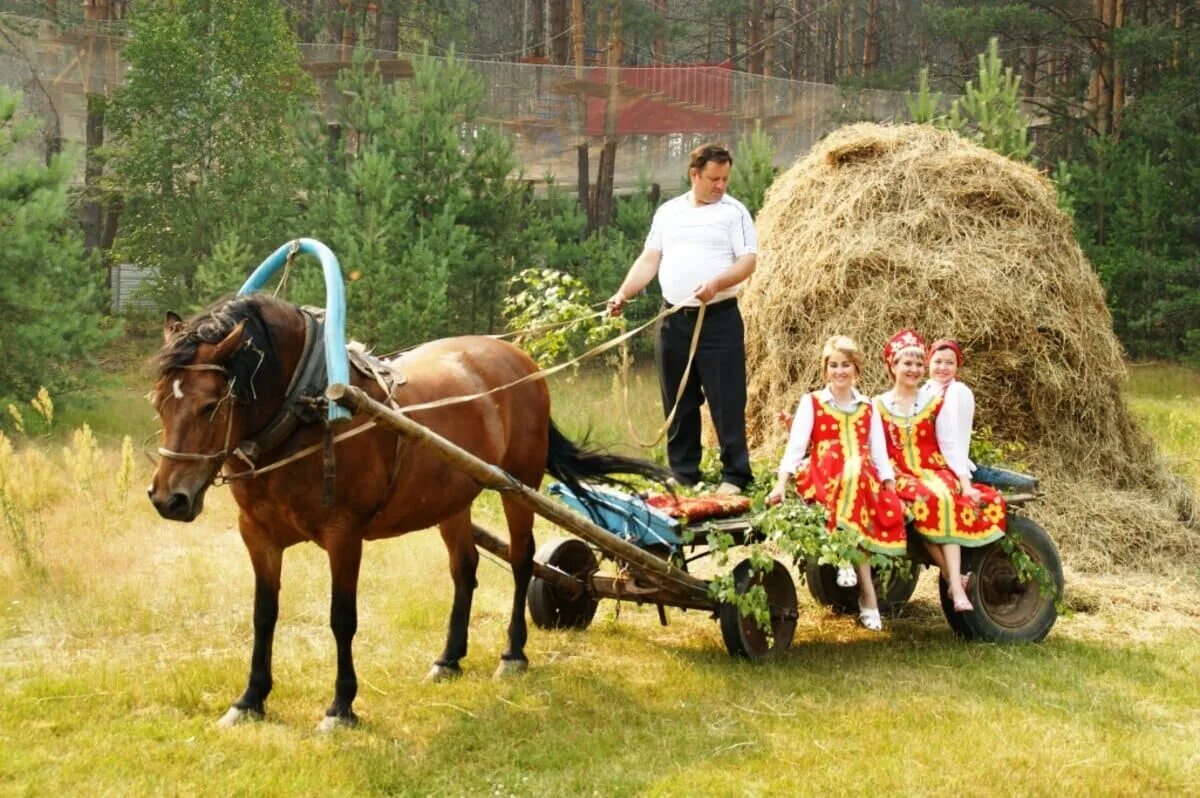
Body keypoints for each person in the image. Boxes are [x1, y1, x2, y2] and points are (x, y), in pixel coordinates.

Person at [607, 143, 756, 496]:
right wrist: (623, 293)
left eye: (725, 179)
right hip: (674, 317)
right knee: (677, 397)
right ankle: (685, 471)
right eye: (714, 179)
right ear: (694, 175)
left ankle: (735, 475)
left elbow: (748, 261)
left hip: (718, 320)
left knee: (726, 399)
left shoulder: (734, 213)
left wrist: (717, 283)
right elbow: (649, 259)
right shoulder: (668, 213)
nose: (721, 186)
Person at [766, 335, 906, 631]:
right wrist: (781, 484)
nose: (840, 371)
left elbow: (879, 454)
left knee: (856, 468)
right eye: (833, 365)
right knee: (850, 471)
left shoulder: (868, 407)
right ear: (825, 370)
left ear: (856, 369)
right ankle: (868, 597)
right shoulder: (813, 402)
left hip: (862, 481)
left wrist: (890, 485)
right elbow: (796, 447)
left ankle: (845, 558)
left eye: (846, 365)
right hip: (822, 476)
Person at [875, 331, 1006, 613]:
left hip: (933, 467)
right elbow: (877, 449)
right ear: (893, 367)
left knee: (946, 495)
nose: (913, 370)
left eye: (918, 364)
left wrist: (964, 482)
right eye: (906, 364)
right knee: (926, 499)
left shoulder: (933, 403)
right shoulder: (880, 405)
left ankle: (955, 585)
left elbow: (949, 443)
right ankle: (954, 581)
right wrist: (885, 480)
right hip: (900, 473)